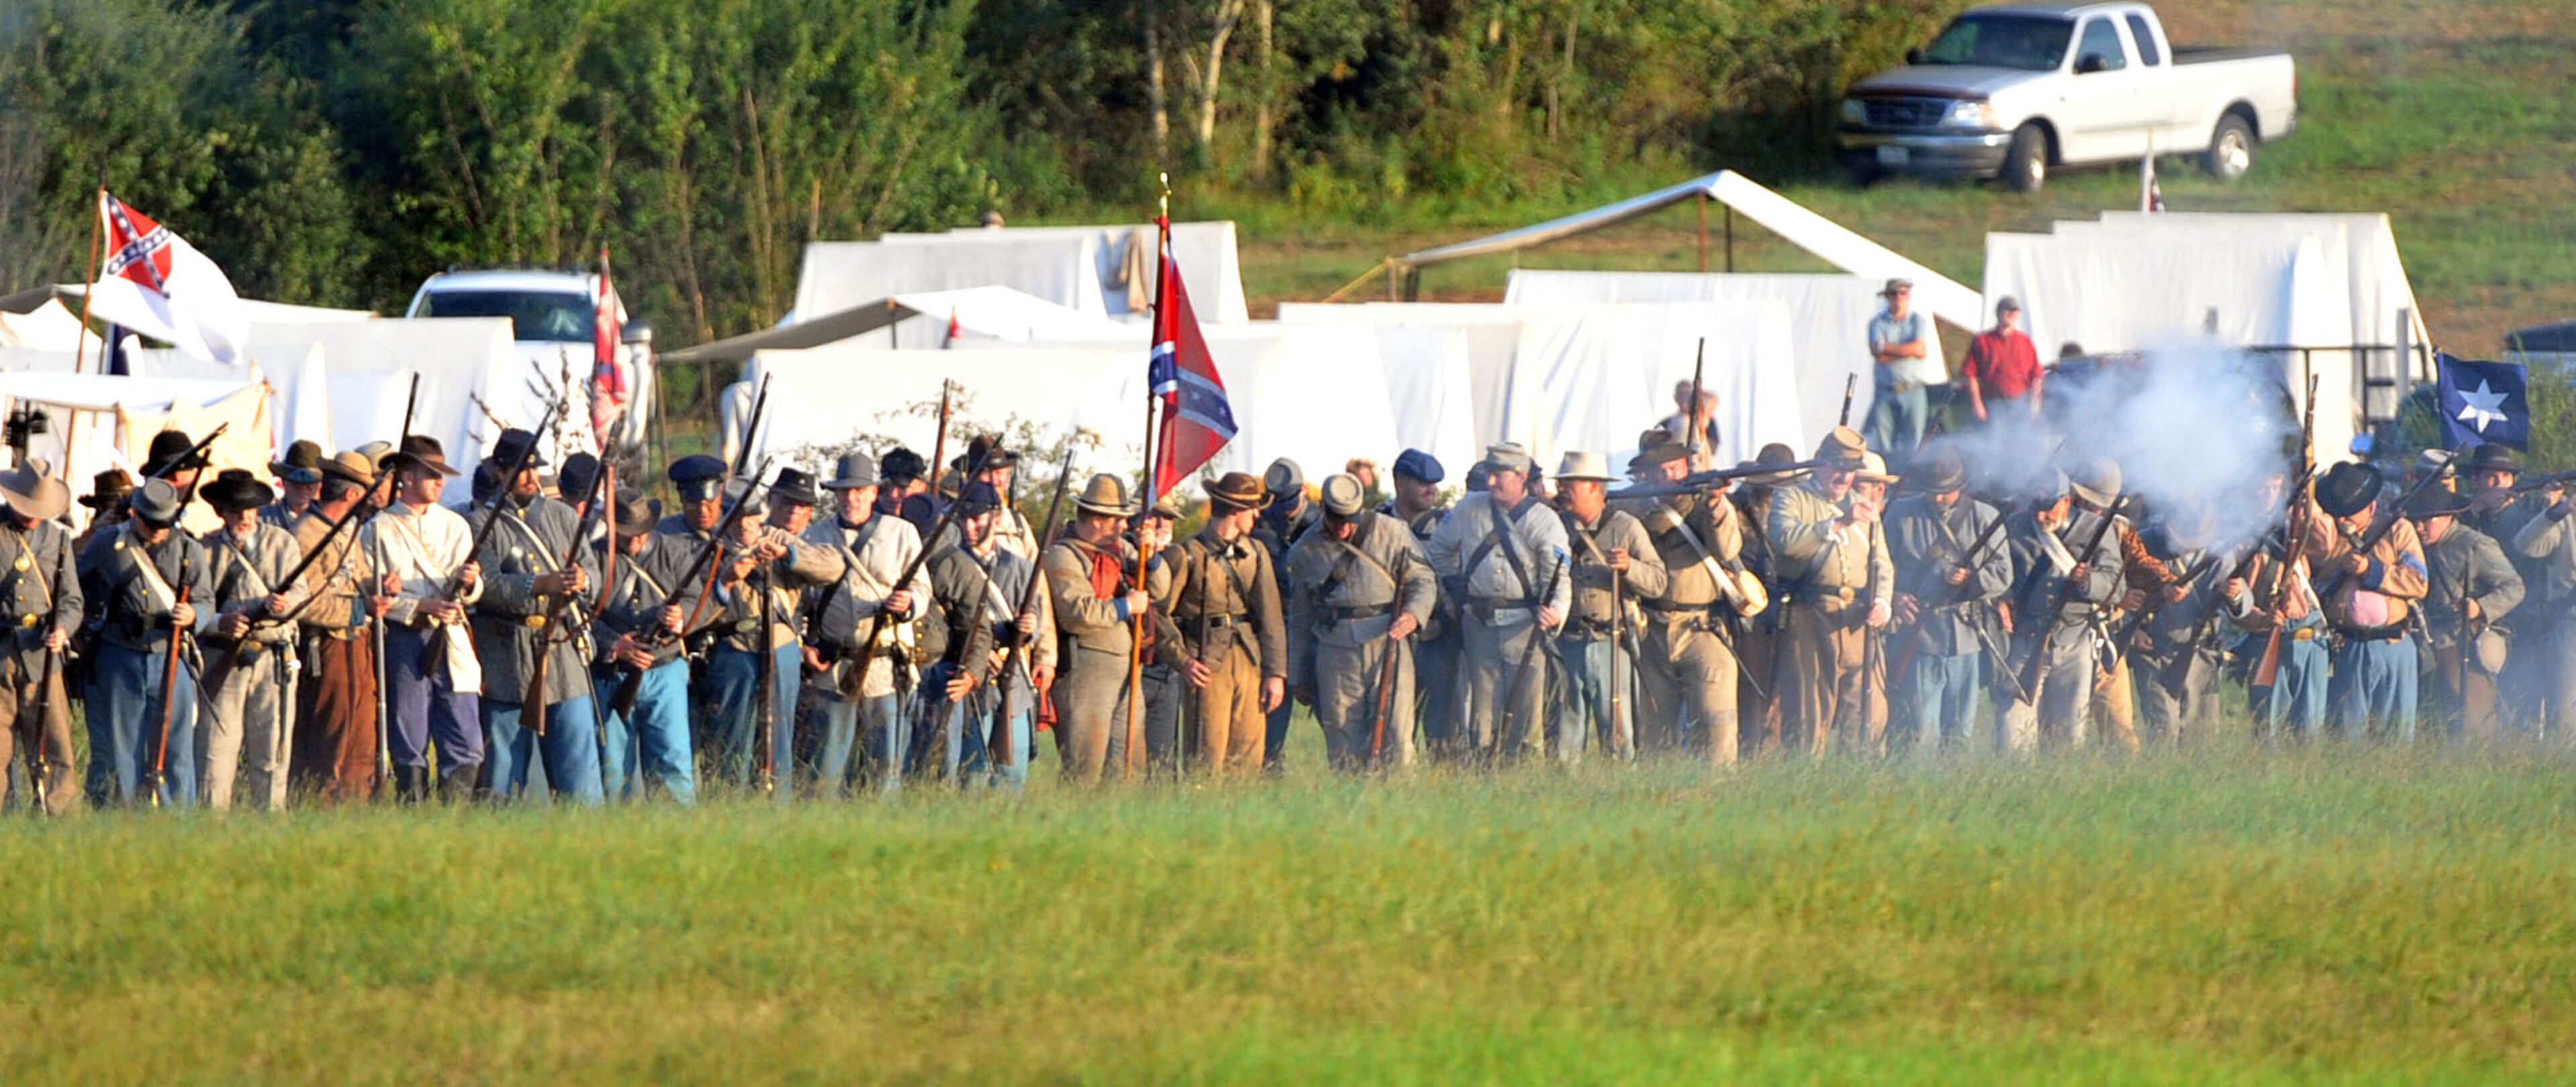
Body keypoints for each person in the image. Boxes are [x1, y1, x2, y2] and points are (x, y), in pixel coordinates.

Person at [469, 428, 605, 805]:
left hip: (563, 652)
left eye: (534, 469)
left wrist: (582, 579)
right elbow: (489, 586)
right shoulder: (482, 523)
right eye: (520, 471)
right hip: (509, 658)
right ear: (500, 472)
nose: (531, 478)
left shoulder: (561, 515)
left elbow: (594, 573)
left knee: (581, 773)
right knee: (505, 776)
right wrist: (540, 584)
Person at [1427, 443, 1570, 761]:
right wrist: (1450, 594)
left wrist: (1556, 612)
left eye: (1499, 476)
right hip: (1479, 625)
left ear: (1520, 477)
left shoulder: (1544, 520)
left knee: (1526, 714)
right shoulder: (1468, 509)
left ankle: (1522, 776)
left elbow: (1559, 576)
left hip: (1526, 628)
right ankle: (1482, 772)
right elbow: (1439, 552)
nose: (1491, 483)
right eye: (1489, 475)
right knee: (1482, 717)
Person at [1283, 473, 1434, 770]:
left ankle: (1402, 809)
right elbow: (1300, 617)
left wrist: (1414, 615)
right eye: (1337, 519)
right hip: (1335, 649)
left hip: (1388, 640)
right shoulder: (1305, 550)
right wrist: (1297, 671)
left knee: (1397, 735)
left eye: (1350, 519)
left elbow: (1424, 580)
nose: (1343, 527)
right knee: (1342, 738)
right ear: (1322, 509)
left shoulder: (1393, 532)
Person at [704, 469, 843, 794]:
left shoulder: (779, 539)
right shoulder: (712, 548)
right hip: (734, 649)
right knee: (732, 740)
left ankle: (778, 803)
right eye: (737, 518)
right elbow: (697, 605)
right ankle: (729, 804)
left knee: (779, 739)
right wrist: (726, 579)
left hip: (781, 649)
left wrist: (787, 555)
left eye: (751, 518)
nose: (745, 526)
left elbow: (832, 567)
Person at [1621, 435, 1756, 765]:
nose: (1668, 475)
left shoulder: (1704, 506)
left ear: (1687, 466)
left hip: (1703, 627)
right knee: (1655, 729)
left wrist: (1716, 503)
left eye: (1674, 467)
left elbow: (1727, 549)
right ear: (1647, 475)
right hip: (1650, 629)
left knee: (1716, 724)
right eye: (1660, 470)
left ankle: (1717, 793)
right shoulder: (1633, 509)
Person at [79, 478, 213, 807]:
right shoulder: (107, 542)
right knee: (123, 750)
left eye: (163, 524)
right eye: (151, 523)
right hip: (119, 653)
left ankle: (179, 822)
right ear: (135, 514)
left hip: (170, 653)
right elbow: (75, 578)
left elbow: (206, 601)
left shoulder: (188, 549)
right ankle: (128, 821)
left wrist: (193, 615)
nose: (157, 531)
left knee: (177, 747)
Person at [802, 453, 926, 795]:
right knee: (826, 772)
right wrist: (806, 647)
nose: (851, 498)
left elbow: (922, 589)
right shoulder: (815, 536)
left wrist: (908, 604)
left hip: (884, 669)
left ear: (874, 492)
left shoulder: (903, 533)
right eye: (844, 492)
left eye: (859, 491)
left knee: (883, 773)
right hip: (834, 667)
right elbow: (802, 602)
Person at [1766, 429, 1893, 756]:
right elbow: (1786, 541)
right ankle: (1809, 781)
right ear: (1820, 465)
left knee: (1868, 710)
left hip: (1856, 619)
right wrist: (1836, 525)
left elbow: (1883, 566)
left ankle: (1859, 780)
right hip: (1810, 613)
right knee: (1811, 712)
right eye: (1837, 467)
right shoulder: (1793, 497)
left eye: (1850, 470)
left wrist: (1882, 601)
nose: (1844, 476)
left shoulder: (1864, 507)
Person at [374, 435, 486, 802]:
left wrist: (469, 585)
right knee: (409, 736)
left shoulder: (455, 526)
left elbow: (473, 590)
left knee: (465, 736)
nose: (440, 481)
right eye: (430, 474)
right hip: (406, 638)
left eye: (441, 474)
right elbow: (372, 595)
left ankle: (455, 816)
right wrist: (421, 607)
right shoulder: (377, 529)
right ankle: (414, 810)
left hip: (450, 637)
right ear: (406, 476)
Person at [920, 481, 1053, 790]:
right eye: (964, 518)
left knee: (1011, 774)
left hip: (1011, 681)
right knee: (971, 776)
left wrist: (1027, 627)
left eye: (977, 518)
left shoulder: (1020, 568)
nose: (969, 526)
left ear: (996, 519)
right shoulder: (946, 565)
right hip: (968, 678)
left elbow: (1035, 621)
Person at [1157, 471, 1288, 777]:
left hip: (1248, 661)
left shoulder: (1255, 553)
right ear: (1234, 510)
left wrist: (1275, 674)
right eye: (1252, 507)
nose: (1257, 514)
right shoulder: (1187, 554)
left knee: (1248, 759)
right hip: (1205, 664)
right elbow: (1158, 614)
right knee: (1206, 758)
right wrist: (1183, 661)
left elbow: (1271, 617)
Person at [1882, 445, 2011, 754]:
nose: (1939, 498)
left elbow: (2003, 574)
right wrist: (1894, 596)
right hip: (1920, 635)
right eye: (1933, 491)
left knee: (1961, 733)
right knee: (1920, 731)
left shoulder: (1985, 518)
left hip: (1966, 635)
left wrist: (1971, 580)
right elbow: (1881, 565)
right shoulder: (1901, 514)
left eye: (1946, 491)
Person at [194, 469, 308, 811]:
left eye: (248, 508)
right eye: (234, 509)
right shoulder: (204, 550)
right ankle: (211, 831)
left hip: (273, 656)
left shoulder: (283, 543)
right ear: (220, 511)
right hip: (223, 657)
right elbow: (197, 607)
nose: (243, 516)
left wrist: (284, 604)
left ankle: (270, 829)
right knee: (215, 754)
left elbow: (302, 593)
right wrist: (220, 622)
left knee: (273, 752)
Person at [1996, 468, 2123, 753]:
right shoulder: (2016, 526)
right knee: (2012, 730)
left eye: (2048, 508)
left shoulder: (2095, 529)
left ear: (2066, 501)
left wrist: (2088, 580)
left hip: (2075, 638)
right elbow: (2000, 573)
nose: (2041, 517)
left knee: (2070, 736)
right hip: (2027, 636)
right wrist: (2001, 600)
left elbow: (2117, 586)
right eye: (2036, 508)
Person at [288, 451, 389, 805]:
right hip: (328, 650)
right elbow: (303, 602)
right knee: (331, 743)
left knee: (361, 745)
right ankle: (321, 812)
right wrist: (361, 609)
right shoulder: (305, 535)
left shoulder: (348, 532)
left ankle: (355, 811)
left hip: (358, 646)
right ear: (350, 495)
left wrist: (380, 589)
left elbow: (356, 579)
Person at [1041, 473, 1158, 783]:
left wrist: (1152, 557)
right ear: (1095, 520)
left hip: (1126, 669)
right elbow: (1075, 612)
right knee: (1085, 770)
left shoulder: (1122, 550)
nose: (1124, 526)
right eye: (1116, 520)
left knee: (1129, 769)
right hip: (1086, 671)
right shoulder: (1063, 555)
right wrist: (1124, 607)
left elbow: (1161, 590)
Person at [1552, 451, 1662, 762]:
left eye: (1571, 484)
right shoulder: (1557, 526)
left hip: (1611, 640)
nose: (1563, 490)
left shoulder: (1626, 527)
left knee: (1617, 727)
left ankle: (1622, 789)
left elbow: (1657, 581)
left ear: (1594, 488)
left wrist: (1629, 568)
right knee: (1566, 731)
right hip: (1568, 641)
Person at [591, 487, 698, 804]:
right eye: (626, 533)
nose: (635, 540)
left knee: (673, 761)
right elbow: (580, 614)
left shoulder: (675, 551)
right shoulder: (596, 555)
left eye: (640, 533)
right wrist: (613, 644)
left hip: (665, 668)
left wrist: (682, 617)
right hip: (614, 674)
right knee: (613, 769)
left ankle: (678, 840)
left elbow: (700, 601)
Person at [2308, 461, 2428, 740]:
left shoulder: (2399, 530)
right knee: (2349, 734)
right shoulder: (2328, 537)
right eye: (2341, 513)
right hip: (2348, 645)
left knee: (2396, 733)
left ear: (2371, 507)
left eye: (2352, 511)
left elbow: (2418, 581)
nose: (2345, 520)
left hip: (2393, 643)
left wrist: (2371, 571)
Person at [2224, 469, 2331, 741]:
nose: (2267, 493)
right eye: (2261, 486)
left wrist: (2308, 501)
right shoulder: (2237, 533)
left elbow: (2325, 543)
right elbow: (2235, 597)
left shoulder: (2296, 522)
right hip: (2268, 633)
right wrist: (2261, 619)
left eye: (2274, 485)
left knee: (2310, 728)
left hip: (2310, 634)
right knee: (2267, 729)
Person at [2410, 486, 2522, 742]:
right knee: (2434, 722)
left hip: (2464, 644)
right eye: (2415, 520)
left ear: (2448, 516)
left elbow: (2514, 587)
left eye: (2427, 519)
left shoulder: (2475, 545)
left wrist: (2480, 607)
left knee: (2474, 722)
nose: (2419, 527)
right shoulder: (2415, 544)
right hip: (2427, 645)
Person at [0, 459, 79, 814]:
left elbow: (72, 601)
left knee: (55, 745)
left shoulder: (59, 539)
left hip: (43, 656)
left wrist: (62, 629)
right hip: (1, 651)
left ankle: (57, 816)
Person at [2122, 502, 2237, 747]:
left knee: (2202, 739)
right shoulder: (2142, 546)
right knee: (2162, 733)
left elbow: (2241, 599)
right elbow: (2120, 591)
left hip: (2201, 652)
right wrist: (2134, 629)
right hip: (2155, 650)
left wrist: (2235, 594)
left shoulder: (2221, 554)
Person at [1728, 442, 1803, 756]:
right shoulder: (1735, 509)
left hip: (1789, 607)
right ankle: (1751, 749)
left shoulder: (1794, 508)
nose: (1773, 492)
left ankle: (1778, 749)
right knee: (1751, 690)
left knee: (1787, 690)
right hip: (1748, 610)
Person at [1381, 449, 1456, 756]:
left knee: (1442, 729)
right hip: (1389, 636)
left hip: (1436, 639)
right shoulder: (1376, 524)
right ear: (1400, 483)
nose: (1432, 490)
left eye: (1434, 483)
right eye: (1423, 482)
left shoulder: (1447, 525)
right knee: (1393, 725)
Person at [1250, 457, 1318, 770]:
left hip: (1315, 637)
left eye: (1291, 501)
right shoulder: (1260, 526)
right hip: (1273, 636)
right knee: (1271, 727)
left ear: (1304, 491)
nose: (1285, 509)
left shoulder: (1322, 523)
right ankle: (1270, 770)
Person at [1864, 278, 1945, 458]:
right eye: (1894, 294)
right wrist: (1908, 350)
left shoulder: (1918, 321)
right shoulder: (1877, 323)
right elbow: (1878, 352)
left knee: (1914, 442)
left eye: (1903, 293)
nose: (1899, 298)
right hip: (1886, 390)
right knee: (1884, 442)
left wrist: (1888, 348)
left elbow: (1918, 348)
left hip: (1913, 389)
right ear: (1888, 298)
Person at [1960, 296, 2044, 426]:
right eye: (2008, 311)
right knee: (1994, 444)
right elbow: (1971, 375)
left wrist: (2034, 406)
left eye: (2015, 312)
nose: (2012, 315)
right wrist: (1977, 404)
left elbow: (2036, 376)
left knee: (2020, 443)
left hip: (2019, 405)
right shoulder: (1983, 341)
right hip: (1993, 404)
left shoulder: (2025, 342)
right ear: (1999, 313)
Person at [1658, 381, 1722, 469]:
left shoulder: (1705, 422)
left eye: (1688, 394)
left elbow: (1713, 448)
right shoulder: (1666, 423)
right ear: (1675, 398)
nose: (1684, 398)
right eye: (1681, 394)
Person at [264, 439, 324, 530]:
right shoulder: (262, 520)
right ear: (283, 481)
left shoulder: (332, 524)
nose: (303, 488)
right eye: (296, 481)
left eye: (310, 482)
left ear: (319, 485)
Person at [72, 469, 133, 554]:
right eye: (116, 501)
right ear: (100, 506)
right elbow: (71, 556)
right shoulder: (97, 531)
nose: (125, 507)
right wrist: (94, 531)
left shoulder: (139, 524)